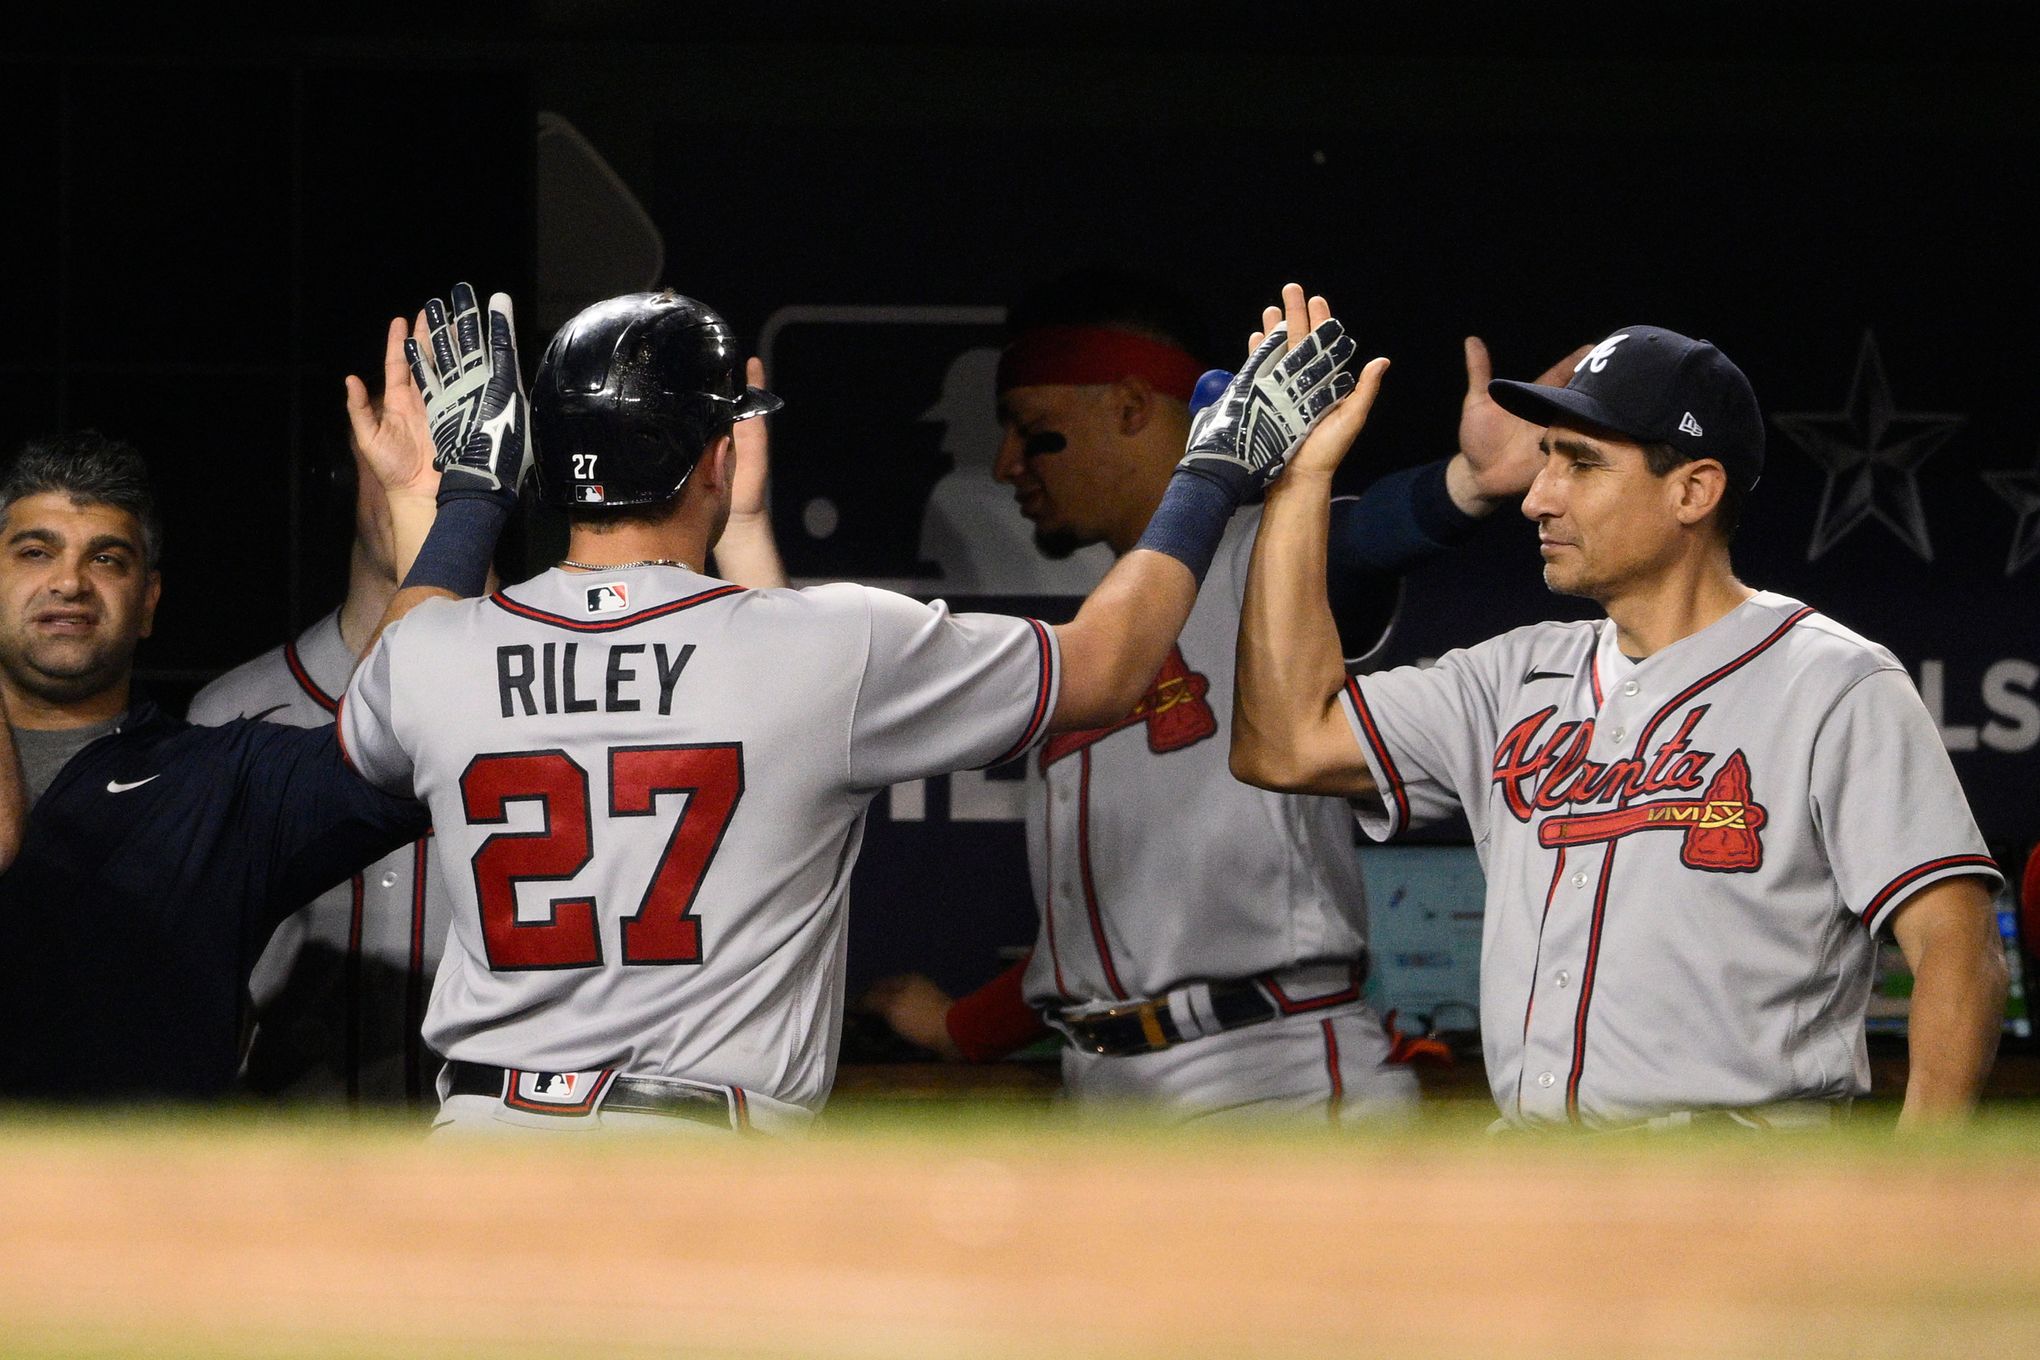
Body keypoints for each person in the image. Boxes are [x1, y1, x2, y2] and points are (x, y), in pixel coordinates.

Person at [336, 283, 1363, 1134]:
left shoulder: (432, 655)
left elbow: (395, 673)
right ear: (713, 458)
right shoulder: (824, 645)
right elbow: (1104, 666)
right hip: (695, 1157)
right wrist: (1213, 469)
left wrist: (468, 494)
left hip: (481, 1150)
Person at [1230, 311, 2009, 1129]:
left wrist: (1915, 1183)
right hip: (1537, 1188)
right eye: (1545, 461)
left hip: (1744, 1192)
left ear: (1693, 490)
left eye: (1580, 465)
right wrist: (1302, 482)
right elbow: (1283, 744)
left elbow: (1960, 949)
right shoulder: (1511, 675)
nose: (1537, 497)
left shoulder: (1834, 683)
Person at [865, 270, 1578, 1123]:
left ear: (1132, 409)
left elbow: (1360, 540)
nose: (1006, 464)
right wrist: (964, 1028)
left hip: (1268, 1070)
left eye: (1034, 431)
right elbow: (1112, 947)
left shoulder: (1260, 556)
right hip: (1105, 1085)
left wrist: (1463, 484)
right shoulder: (1095, 642)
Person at [0, 284, 526, 1103]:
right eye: (34, 551)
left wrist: (448, 508)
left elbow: (393, 731)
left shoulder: (217, 778)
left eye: (108, 558)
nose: (69, 580)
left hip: (139, 1219)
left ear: (150, 603)